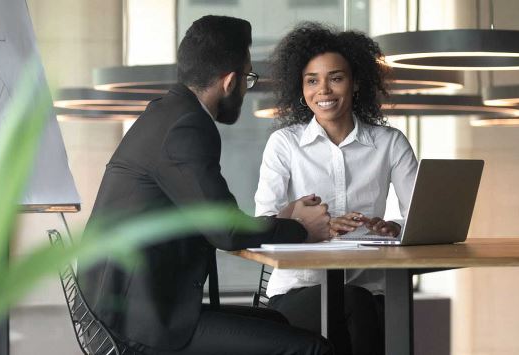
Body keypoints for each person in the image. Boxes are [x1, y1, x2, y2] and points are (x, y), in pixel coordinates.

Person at [79, 16, 336, 355]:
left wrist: (286, 217)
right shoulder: (186, 127)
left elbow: (212, 217)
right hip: (137, 324)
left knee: (278, 325)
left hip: (129, 308)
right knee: (314, 349)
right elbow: (225, 230)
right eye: (247, 78)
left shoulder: (167, 113)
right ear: (229, 82)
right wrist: (301, 229)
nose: (246, 88)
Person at [254, 23, 419, 355]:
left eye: (336, 78)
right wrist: (309, 227)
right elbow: (263, 221)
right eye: (312, 80)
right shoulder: (284, 145)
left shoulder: (390, 144)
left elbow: (419, 217)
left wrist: (393, 228)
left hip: (373, 291)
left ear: (356, 83)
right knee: (356, 304)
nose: (323, 90)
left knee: (373, 306)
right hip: (298, 292)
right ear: (300, 88)